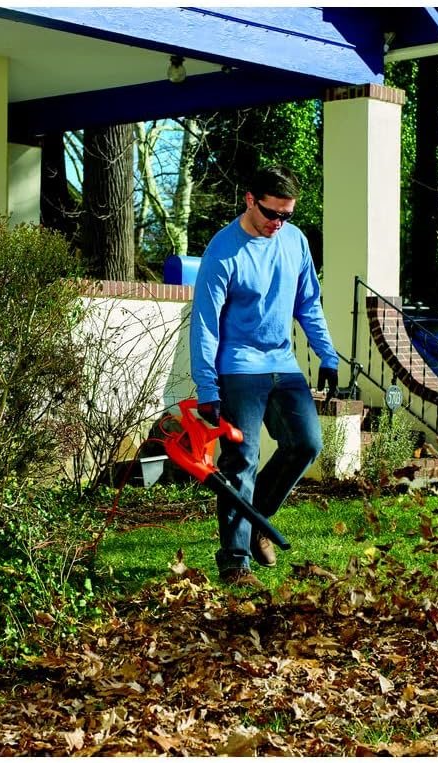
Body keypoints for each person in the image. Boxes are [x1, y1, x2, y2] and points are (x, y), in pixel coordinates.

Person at [189, 165, 339, 588]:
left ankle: (258, 523)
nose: (279, 224)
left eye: (287, 215)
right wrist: (207, 387)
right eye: (272, 213)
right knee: (241, 463)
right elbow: (205, 323)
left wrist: (327, 355)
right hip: (238, 367)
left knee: (306, 443)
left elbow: (308, 302)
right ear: (250, 199)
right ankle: (234, 562)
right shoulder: (224, 250)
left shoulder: (294, 242)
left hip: (283, 363)